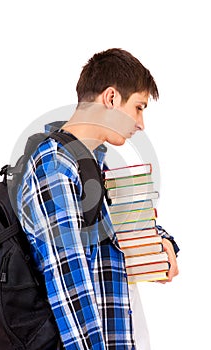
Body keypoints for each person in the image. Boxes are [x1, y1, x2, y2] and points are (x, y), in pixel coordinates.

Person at [17, 48, 179, 350]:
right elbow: (70, 285)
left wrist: (162, 243)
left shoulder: (93, 163)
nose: (141, 123)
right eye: (139, 107)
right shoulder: (55, 168)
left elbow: (121, 229)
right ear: (112, 98)